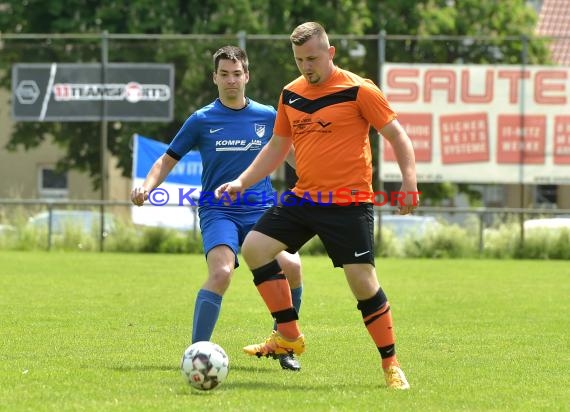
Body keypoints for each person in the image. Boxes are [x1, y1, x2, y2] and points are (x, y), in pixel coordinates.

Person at [215, 22, 419, 389]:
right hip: (305, 196)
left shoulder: (359, 90)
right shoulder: (290, 94)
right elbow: (277, 147)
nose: (306, 66)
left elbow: (397, 135)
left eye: (312, 58)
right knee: (255, 248)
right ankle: (289, 335)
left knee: (363, 283)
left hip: (349, 202)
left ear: (331, 53)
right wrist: (242, 182)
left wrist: (409, 182)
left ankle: (391, 365)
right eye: (299, 59)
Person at [131, 45, 304, 371]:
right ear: (214, 78)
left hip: (262, 209)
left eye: (237, 74)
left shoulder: (268, 116)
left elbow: (294, 158)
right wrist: (146, 187)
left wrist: (322, 181)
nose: (231, 80)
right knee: (222, 273)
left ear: (247, 76)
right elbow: (167, 160)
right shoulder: (201, 120)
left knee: (292, 266)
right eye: (224, 74)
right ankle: (195, 354)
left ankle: (284, 342)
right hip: (218, 210)